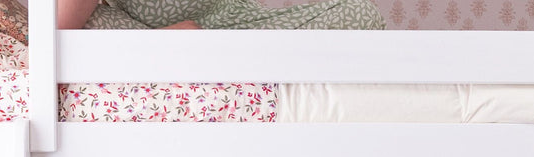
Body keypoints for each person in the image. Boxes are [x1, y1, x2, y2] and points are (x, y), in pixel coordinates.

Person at [57, 0, 386, 32]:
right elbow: (56, 30)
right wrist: (157, 43)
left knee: (362, 13)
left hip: (245, 27)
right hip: (183, 44)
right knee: (88, 28)